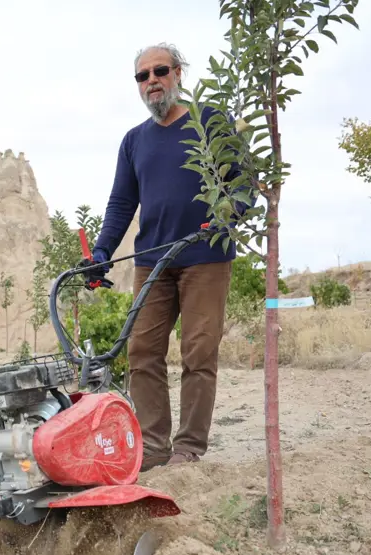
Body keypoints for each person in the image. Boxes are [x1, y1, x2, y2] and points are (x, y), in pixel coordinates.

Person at [82, 43, 247, 472]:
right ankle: (154, 447)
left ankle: (188, 447)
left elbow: (243, 180)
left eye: (159, 71)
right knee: (142, 351)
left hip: (206, 256)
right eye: (142, 76)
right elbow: (121, 203)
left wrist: (227, 216)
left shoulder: (210, 121)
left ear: (178, 74)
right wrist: (101, 251)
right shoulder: (134, 141)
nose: (151, 80)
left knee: (198, 350)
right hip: (152, 261)